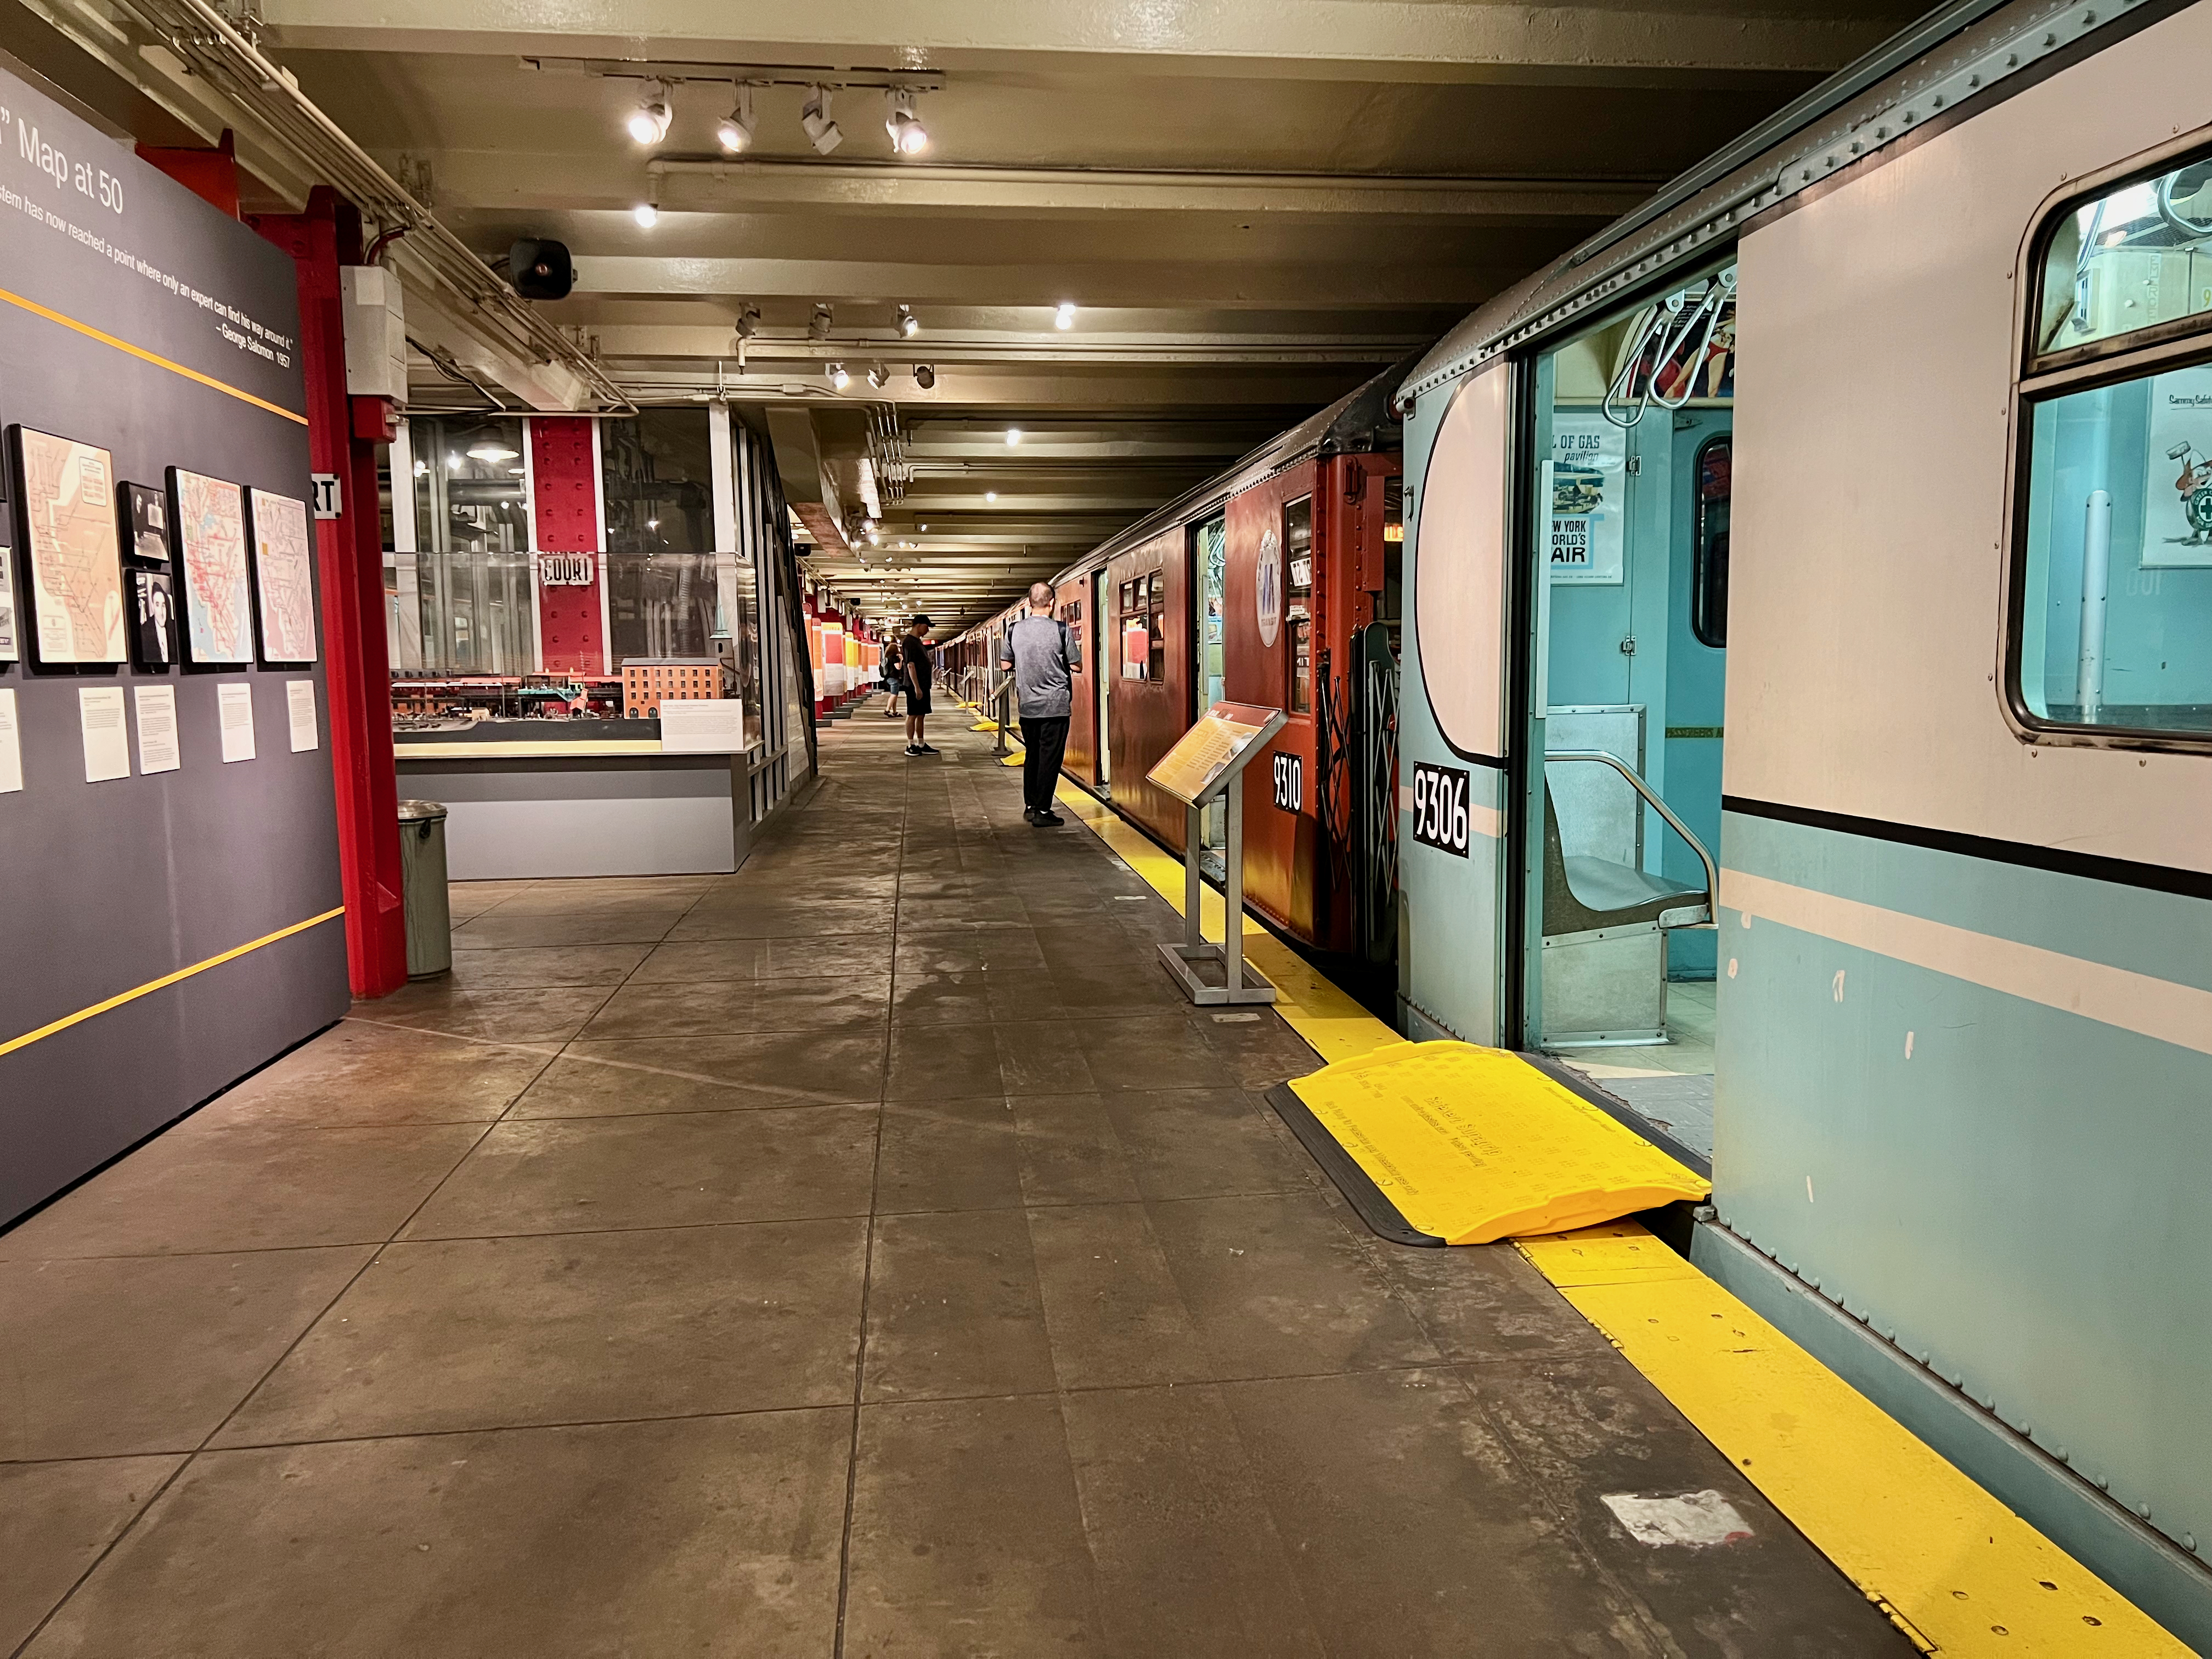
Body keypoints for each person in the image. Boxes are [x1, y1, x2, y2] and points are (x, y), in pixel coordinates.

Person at [998, 581, 1079, 825]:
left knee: (1033, 755)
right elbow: (1076, 665)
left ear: (1029, 604)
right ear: (1052, 603)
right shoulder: (1061, 630)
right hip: (1055, 707)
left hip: (1028, 706)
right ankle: (1043, 811)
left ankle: (1031, 804)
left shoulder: (1014, 630)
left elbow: (1005, 665)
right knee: (1050, 759)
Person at [898, 615, 938, 755]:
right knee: (913, 714)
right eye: (927, 627)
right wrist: (917, 687)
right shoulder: (909, 642)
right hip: (915, 686)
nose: (927, 630)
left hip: (923, 685)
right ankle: (910, 746)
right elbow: (911, 666)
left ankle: (921, 744)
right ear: (919, 625)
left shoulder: (917, 642)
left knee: (921, 714)